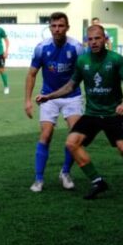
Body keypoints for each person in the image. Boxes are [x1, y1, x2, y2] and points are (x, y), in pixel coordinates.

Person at [36, 24, 123, 202]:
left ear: (105, 40)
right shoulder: (82, 61)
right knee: (72, 143)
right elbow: (71, 86)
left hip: (113, 114)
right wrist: (49, 96)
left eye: (98, 38)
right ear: (87, 42)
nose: (94, 42)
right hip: (92, 114)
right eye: (91, 39)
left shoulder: (116, 59)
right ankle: (97, 181)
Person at [24, 12, 84, 193]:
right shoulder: (41, 48)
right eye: (54, 26)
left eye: (61, 26)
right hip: (48, 97)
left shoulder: (77, 47)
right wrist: (27, 100)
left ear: (67, 27)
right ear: (49, 27)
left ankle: (65, 173)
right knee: (46, 135)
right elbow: (32, 74)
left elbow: (85, 71)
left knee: (75, 136)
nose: (57, 29)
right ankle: (38, 179)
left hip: (72, 96)